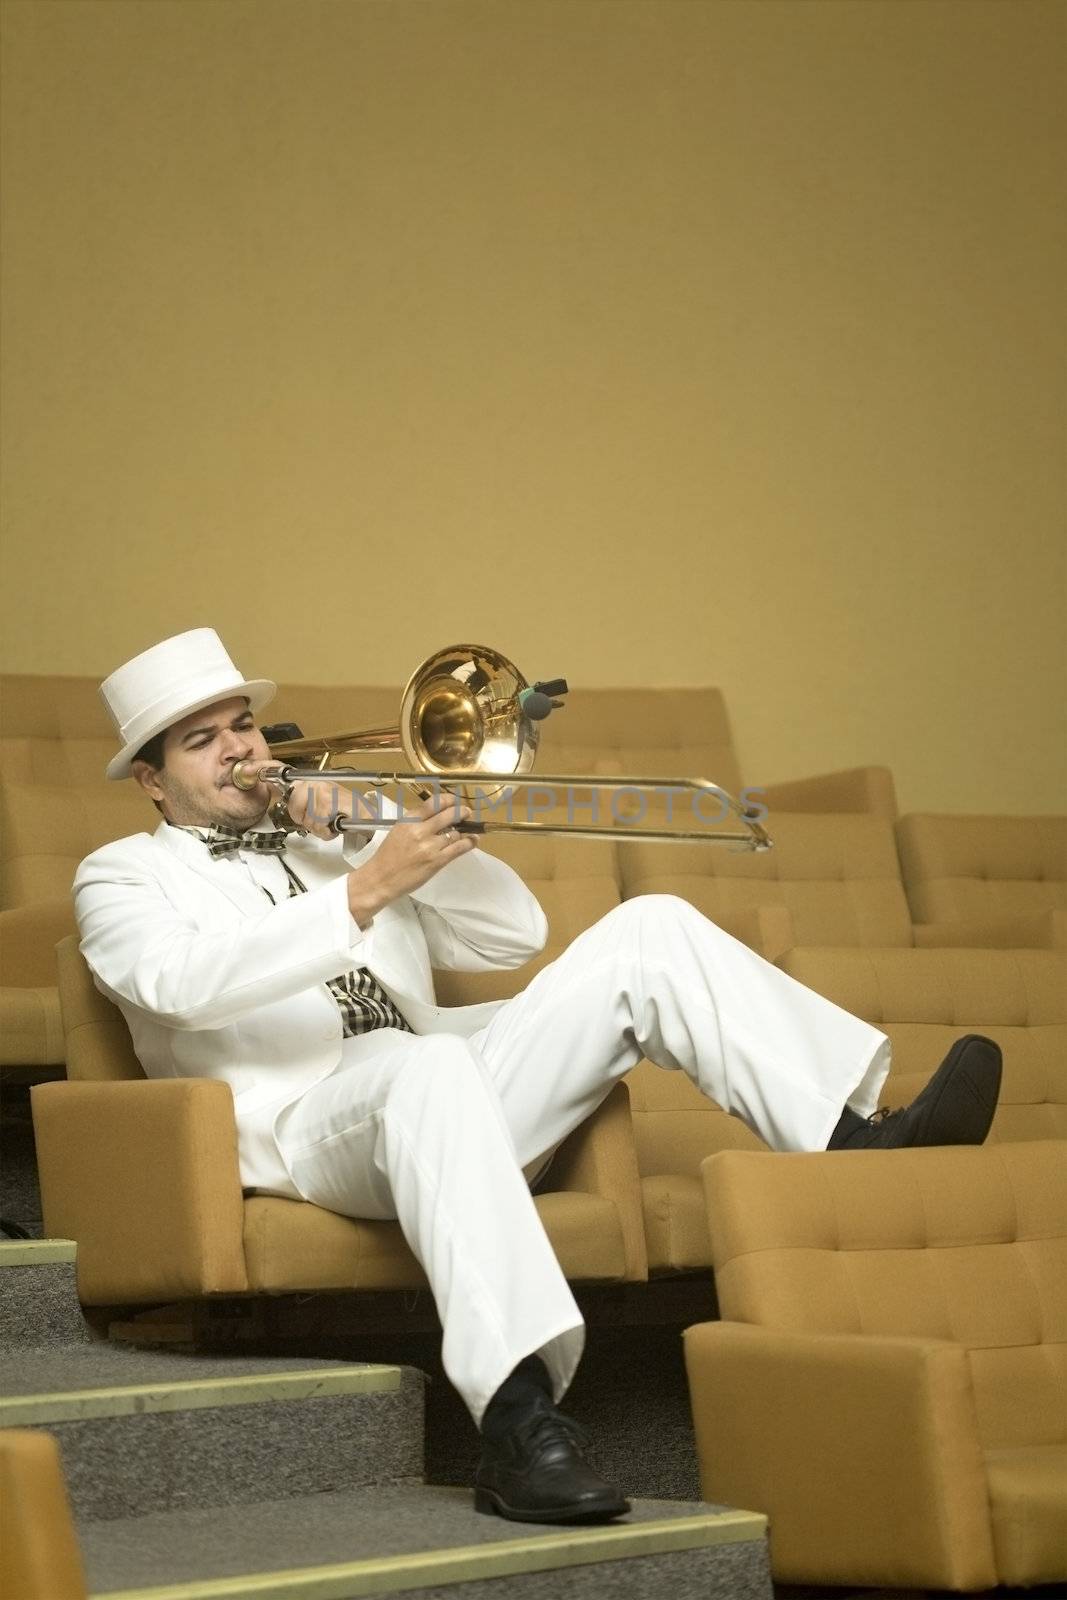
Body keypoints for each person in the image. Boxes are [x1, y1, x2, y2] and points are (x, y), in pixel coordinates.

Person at [75, 629, 1002, 1526]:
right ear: (152, 779)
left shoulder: (336, 838)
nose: (237, 751)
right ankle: (516, 1420)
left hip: (441, 1080)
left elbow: (510, 935)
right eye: (202, 741)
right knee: (425, 1069)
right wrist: (358, 894)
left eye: (239, 724)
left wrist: (372, 832)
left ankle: (853, 1140)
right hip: (310, 1125)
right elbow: (178, 986)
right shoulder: (120, 876)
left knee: (653, 927)